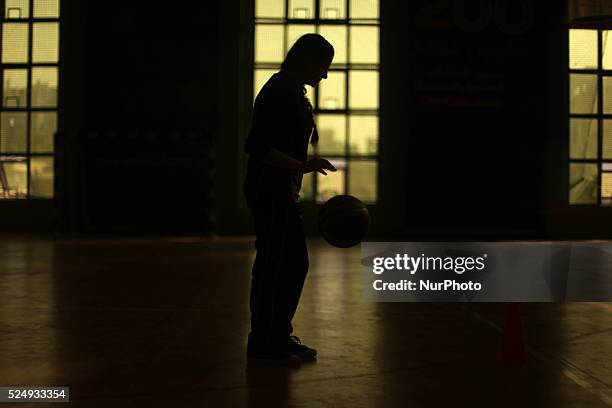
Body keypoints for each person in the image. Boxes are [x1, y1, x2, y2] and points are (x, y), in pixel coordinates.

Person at [243, 33, 337, 364]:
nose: (324, 75)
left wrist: (300, 168)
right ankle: (265, 343)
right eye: (323, 66)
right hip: (270, 191)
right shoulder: (279, 92)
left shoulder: (292, 92)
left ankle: (275, 337)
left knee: (287, 263)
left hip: (280, 191)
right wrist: (301, 165)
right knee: (278, 264)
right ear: (306, 59)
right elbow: (258, 147)